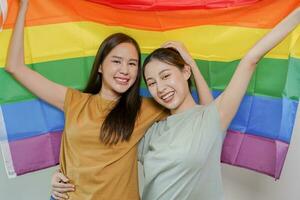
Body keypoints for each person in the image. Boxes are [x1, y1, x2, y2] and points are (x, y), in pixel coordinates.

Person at [6, 1, 213, 200]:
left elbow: (207, 115)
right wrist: (24, 6)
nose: (125, 70)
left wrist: (189, 63)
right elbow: (14, 66)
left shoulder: (144, 107)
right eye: (116, 61)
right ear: (100, 66)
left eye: (132, 64)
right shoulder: (74, 101)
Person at [138, 7, 300, 200]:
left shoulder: (209, 120)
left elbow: (251, 58)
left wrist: (190, 60)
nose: (160, 87)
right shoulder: (151, 131)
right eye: (152, 83)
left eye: (166, 76)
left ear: (185, 72)